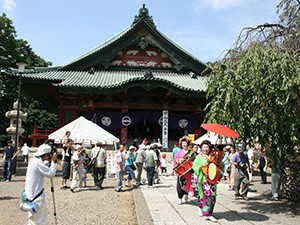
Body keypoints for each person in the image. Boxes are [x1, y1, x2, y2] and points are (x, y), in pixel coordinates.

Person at [24, 144, 57, 225]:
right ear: (45, 154)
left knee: (32, 220)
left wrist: (48, 162)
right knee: (41, 221)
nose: (50, 157)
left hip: (29, 197)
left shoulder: (33, 160)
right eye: (49, 155)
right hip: (37, 198)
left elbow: (42, 165)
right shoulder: (38, 163)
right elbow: (51, 174)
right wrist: (53, 162)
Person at [192, 140, 218, 222]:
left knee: (212, 195)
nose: (205, 149)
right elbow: (194, 166)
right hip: (203, 179)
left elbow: (218, 166)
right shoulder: (198, 157)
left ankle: (209, 213)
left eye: (207, 147)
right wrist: (200, 166)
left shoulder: (213, 156)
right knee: (202, 195)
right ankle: (201, 208)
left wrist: (220, 165)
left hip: (212, 179)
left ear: (210, 148)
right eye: (203, 147)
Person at [174, 137, 193, 204]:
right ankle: (180, 197)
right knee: (179, 184)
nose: (184, 144)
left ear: (187, 144)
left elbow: (193, 160)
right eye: (182, 143)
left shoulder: (191, 152)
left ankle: (185, 196)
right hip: (181, 171)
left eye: (185, 143)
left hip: (188, 171)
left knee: (187, 183)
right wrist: (178, 161)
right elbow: (175, 159)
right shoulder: (179, 152)